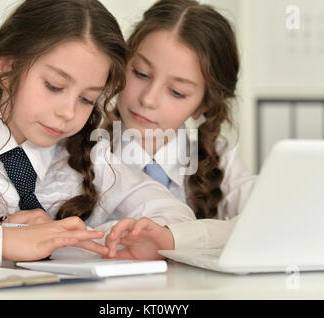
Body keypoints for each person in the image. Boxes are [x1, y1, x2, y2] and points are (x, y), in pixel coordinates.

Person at [0, 0, 195, 268]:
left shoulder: (94, 162)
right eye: (55, 86)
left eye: (87, 99)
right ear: (7, 69)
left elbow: (175, 215)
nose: (68, 112)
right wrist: (4, 241)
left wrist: (77, 237)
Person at [102, 0, 256, 260]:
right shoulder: (83, 149)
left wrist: (175, 238)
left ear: (203, 105)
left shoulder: (218, 162)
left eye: (177, 92)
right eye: (140, 73)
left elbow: (273, 218)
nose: (148, 99)